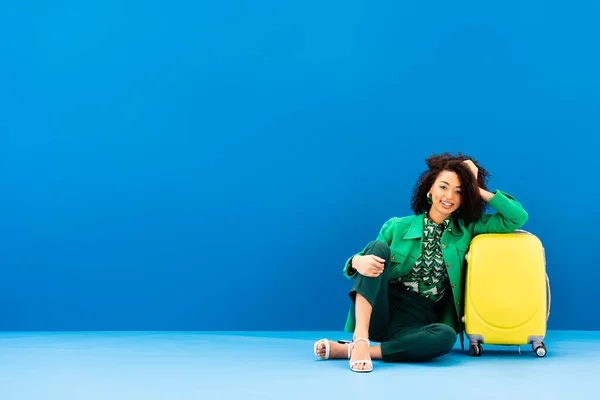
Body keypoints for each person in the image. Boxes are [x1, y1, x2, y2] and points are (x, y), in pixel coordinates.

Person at [313, 152, 529, 372]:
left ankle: (353, 351)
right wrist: (356, 262)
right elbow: (364, 259)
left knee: (445, 336)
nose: (449, 196)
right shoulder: (397, 226)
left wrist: (474, 186)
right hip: (382, 310)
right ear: (429, 190)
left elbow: (516, 217)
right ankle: (360, 339)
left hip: (420, 322)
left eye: (459, 191)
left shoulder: (467, 229)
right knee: (376, 248)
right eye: (443, 187)